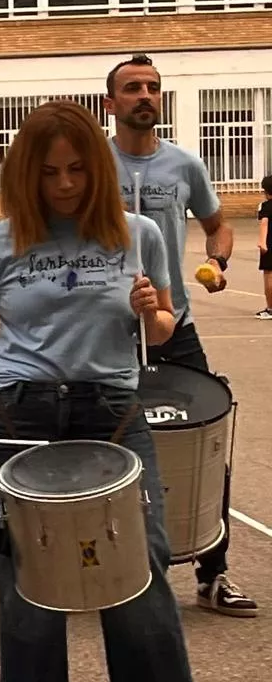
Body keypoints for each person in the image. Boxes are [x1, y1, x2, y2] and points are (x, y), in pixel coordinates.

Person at [0, 100, 231, 682]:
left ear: (96, 169)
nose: (64, 184)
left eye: (76, 170)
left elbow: (161, 332)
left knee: (139, 572)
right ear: (24, 175)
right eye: (48, 173)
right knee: (28, 582)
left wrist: (151, 312)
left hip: (113, 415)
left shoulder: (134, 234)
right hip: (20, 417)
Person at [104, 54, 255, 617]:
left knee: (205, 446)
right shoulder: (92, 165)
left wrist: (219, 261)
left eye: (153, 88)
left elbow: (219, 226)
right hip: (108, 334)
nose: (145, 95)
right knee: (102, 446)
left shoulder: (184, 165)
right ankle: (103, 570)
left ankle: (214, 575)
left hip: (174, 324)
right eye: (133, 87)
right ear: (111, 103)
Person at [257, 174, 272, 319]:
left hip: (270, 244)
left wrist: (262, 241)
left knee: (269, 275)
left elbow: (264, 223)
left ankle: (271, 308)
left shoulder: (266, 206)